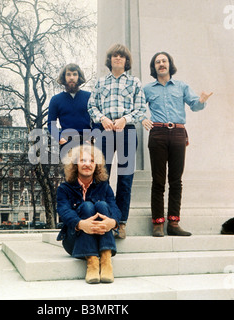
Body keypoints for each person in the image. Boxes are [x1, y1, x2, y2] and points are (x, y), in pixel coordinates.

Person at [142, 52, 213, 237]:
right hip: (157, 134)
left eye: (164, 61)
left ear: (169, 65)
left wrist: (202, 100)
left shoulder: (182, 86)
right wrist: (142, 118)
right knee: (158, 180)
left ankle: (174, 223)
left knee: (176, 180)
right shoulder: (148, 89)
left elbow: (194, 105)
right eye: (157, 62)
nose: (161, 64)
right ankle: (157, 223)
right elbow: (138, 107)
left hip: (179, 134)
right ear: (154, 67)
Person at [88, 44, 148, 239]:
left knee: (125, 179)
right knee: (100, 176)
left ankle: (120, 222)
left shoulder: (134, 82)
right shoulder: (100, 82)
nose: (118, 58)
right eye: (115, 55)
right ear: (110, 59)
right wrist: (102, 118)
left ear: (126, 60)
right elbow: (91, 106)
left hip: (127, 132)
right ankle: (101, 217)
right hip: (104, 131)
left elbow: (140, 109)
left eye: (121, 56)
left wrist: (125, 119)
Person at [56, 144, 122, 284]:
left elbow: (114, 207)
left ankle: (105, 260)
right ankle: (92, 262)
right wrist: (80, 224)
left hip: (101, 238)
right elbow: (64, 211)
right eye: (83, 160)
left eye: (91, 161)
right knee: (86, 206)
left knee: (102, 205)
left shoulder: (104, 186)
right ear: (75, 165)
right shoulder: (64, 188)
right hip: (74, 240)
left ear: (96, 165)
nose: (87, 164)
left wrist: (113, 222)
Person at [47, 63, 93, 151]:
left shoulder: (89, 97)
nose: (71, 77)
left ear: (79, 77)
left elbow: (97, 120)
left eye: (75, 74)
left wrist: (92, 137)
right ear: (64, 77)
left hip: (87, 143)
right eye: (68, 74)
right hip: (67, 144)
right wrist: (59, 138)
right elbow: (51, 123)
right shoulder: (56, 99)